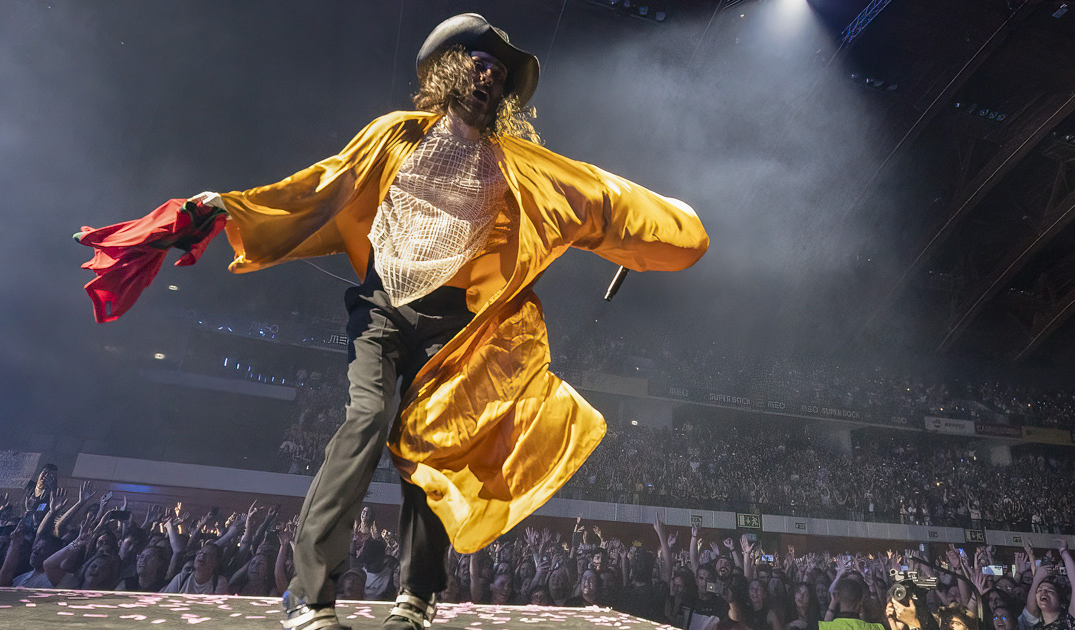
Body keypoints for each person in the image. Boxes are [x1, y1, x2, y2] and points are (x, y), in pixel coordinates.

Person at [88, 11, 705, 630]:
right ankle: (308, 595)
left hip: (458, 330)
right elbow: (320, 185)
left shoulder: (524, 166)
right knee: (366, 421)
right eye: (480, 66)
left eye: (500, 76)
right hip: (383, 308)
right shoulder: (396, 135)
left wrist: (675, 226)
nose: (490, 80)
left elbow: (607, 199)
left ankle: (416, 598)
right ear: (452, 70)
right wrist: (226, 205)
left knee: (433, 450)